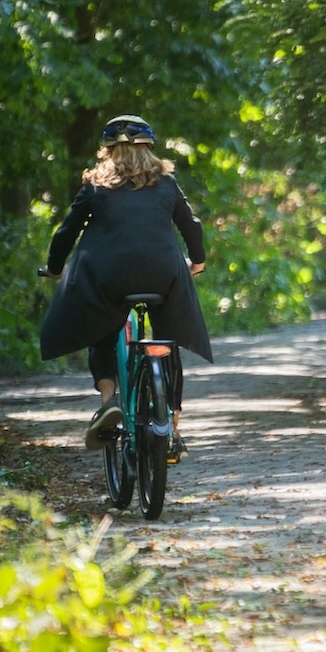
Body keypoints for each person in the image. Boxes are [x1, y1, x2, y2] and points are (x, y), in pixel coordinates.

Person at [39, 114, 214, 449]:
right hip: (164, 272)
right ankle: (172, 422)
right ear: (150, 147)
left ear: (107, 151)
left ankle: (109, 400)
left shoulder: (96, 184)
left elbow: (67, 231)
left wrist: (55, 267)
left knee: (101, 329)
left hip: (108, 275)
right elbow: (191, 225)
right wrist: (198, 261)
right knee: (170, 337)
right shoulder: (165, 182)